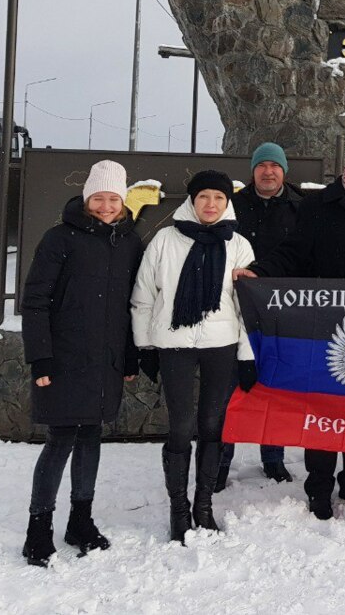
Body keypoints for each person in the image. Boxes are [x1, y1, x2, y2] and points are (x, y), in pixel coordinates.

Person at [240, 135, 345, 520]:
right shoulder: (319, 205)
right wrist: (260, 272)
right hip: (328, 325)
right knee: (326, 407)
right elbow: (293, 252)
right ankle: (319, 487)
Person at [20, 160, 144, 566]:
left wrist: (128, 356)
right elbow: (36, 301)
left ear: (123, 202)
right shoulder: (60, 239)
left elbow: (131, 305)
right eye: (99, 198)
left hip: (105, 361)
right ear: (87, 198)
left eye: (113, 199)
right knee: (60, 441)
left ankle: (80, 521)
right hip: (64, 358)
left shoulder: (129, 242)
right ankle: (38, 529)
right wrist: (40, 359)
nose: (106, 206)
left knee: (91, 438)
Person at [131, 170, 257, 543]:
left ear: (226, 202)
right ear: (192, 200)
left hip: (221, 344)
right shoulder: (165, 240)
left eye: (218, 198)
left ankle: (204, 505)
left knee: (212, 427)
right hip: (174, 345)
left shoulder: (238, 244)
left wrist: (246, 355)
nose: (211, 205)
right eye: (204, 197)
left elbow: (247, 306)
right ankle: (178, 510)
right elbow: (144, 296)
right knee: (181, 427)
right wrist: (145, 346)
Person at [216, 142, 302, 490]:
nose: (269, 172)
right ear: (252, 171)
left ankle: (274, 457)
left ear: (284, 171)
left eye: (275, 166)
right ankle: (220, 462)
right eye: (262, 165)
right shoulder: (231, 207)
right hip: (233, 308)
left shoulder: (301, 207)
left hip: (281, 310)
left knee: (274, 385)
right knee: (229, 388)